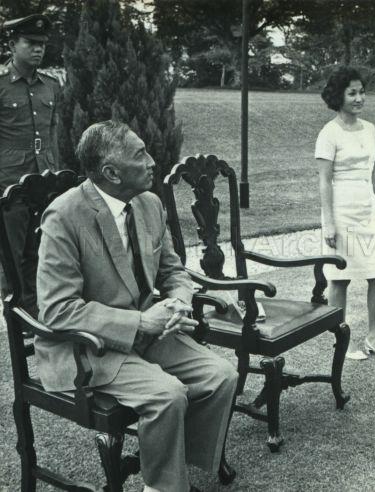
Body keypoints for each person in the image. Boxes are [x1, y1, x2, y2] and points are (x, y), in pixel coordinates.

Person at [36, 121, 239, 492]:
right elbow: (57, 309)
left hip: (149, 335)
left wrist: (179, 302)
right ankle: (163, 486)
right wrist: (140, 322)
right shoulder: (64, 216)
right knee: (168, 394)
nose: (152, 162)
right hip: (88, 348)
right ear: (112, 173)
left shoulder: (149, 204)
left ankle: (170, 472)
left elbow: (173, 271)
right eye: (140, 154)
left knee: (220, 376)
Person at [315, 67, 375, 361]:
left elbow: (373, 169)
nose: (359, 98)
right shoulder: (329, 133)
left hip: (368, 211)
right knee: (340, 279)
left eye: (362, 92)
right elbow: (324, 181)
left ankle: (374, 338)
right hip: (341, 213)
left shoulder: (370, 128)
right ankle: (342, 341)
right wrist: (329, 223)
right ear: (338, 96)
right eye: (352, 93)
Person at [0, 14, 61, 312]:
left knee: (40, 249)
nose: (38, 49)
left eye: (42, 44)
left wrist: (56, 176)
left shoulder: (50, 85)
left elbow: (53, 133)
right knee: (10, 253)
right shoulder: (1, 85)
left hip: (44, 180)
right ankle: (15, 317)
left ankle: (36, 313)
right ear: (13, 45)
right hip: (9, 181)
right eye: (31, 43)